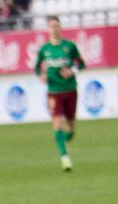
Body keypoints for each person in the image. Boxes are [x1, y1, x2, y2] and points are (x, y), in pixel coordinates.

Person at [35, 16, 84, 172]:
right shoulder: (44, 50)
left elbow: (81, 64)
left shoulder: (69, 46)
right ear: (47, 30)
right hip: (53, 91)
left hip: (70, 89)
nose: (54, 29)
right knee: (56, 122)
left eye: (56, 26)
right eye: (51, 26)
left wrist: (72, 71)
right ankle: (64, 157)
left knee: (70, 127)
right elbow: (37, 68)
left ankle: (65, 143)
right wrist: (41, 75)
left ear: (60, 28)